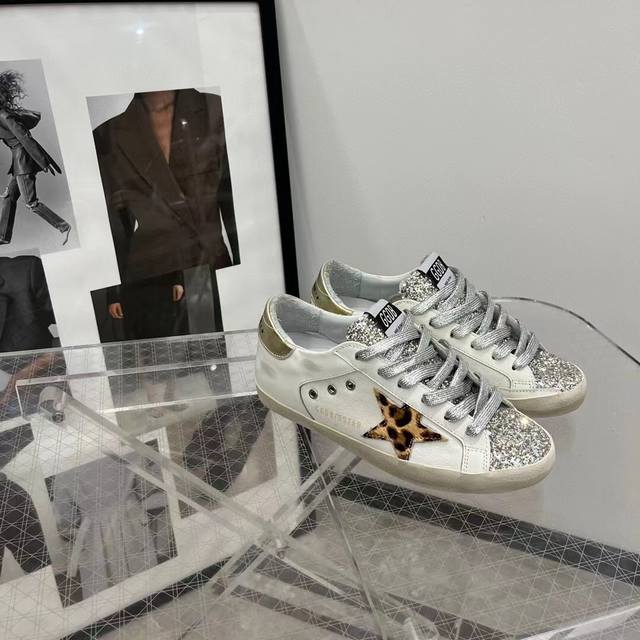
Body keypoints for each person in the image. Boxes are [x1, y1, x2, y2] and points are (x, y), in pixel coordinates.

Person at [0, 70, 71, 245]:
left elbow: (25, 137)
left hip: (23, 161)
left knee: (31, 203)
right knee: (8, 197)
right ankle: (2, 236)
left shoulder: (3, 115)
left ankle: (63, 226)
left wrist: (42, 160)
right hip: (18, 160)